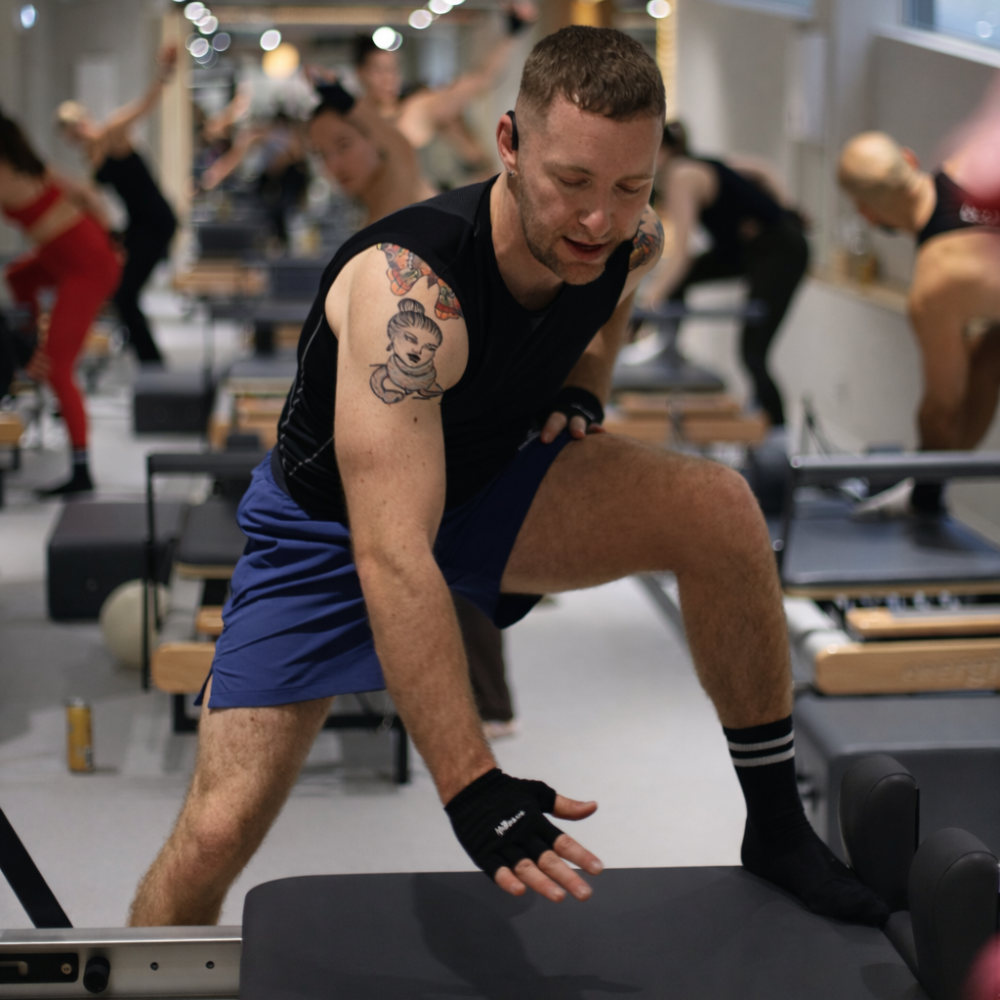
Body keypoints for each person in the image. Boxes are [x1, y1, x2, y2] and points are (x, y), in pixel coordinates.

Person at [127, 27, 887, 929]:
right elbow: (392, 553)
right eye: (571, 183)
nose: (598, 219)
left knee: (719, 507)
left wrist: (582, 390)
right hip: (332, 530)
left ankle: (776, 827)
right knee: (217, 831)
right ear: (510, 145)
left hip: (487, 482)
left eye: (627, 186)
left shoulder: (632, 240)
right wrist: (472, 785)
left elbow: (608, 305)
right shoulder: (410, 292)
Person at [838, 130, 1000, 515]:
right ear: (910, 159)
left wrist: (923, 489)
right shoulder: (972, 161)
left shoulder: (935, 286)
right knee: (991, 353)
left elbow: (943, 411)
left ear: (866, 212)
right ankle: (925, 490)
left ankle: (923, 495)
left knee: (938, 409)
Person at [641, 121, 809, 431]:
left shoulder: (679, 176)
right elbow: (763, 169)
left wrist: (652, 300)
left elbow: (684, 253)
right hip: (752, 250)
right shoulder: (700, 163)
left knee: (753, 352)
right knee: (687, 278)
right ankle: (667, 347)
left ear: (662, 150)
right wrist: (785, 209)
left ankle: (777, 433)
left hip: (780, 250)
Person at [0, 108, 121, 495]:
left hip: (85, 265)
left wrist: (110, 239)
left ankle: (82, 471)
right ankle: (30, 342)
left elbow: (89, 196)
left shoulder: (6, 170)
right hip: (61, 255)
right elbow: (85, 193)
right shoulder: (30, 165)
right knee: (18, 277)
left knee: (59, 368)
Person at [56, 44, 178, 367]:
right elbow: (89, 200)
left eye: (76, 127)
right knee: (119, 292)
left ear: (86, 120)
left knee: (125, 294)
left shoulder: (112, 132)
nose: (76, 136)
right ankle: (144, 354)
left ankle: (151, 361)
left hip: (156, 219)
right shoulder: (91, 158)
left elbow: (144, 106)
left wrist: (164, 74)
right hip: (138, 222)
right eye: (69, 135)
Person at [353, 3, 538, 191]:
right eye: (379, 71)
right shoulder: (356, 120)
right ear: (361, 73)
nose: (388, 79)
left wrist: (511, 33)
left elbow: (480, 79)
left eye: (393, 70)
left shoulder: (416, 109)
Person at [306, 70, 436, 225]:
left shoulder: (403, 181)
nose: (334, 165)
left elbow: (396, 143)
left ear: (374, 137)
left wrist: (345, 99)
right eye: (322, 155)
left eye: (343, 145)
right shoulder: (370, 218)